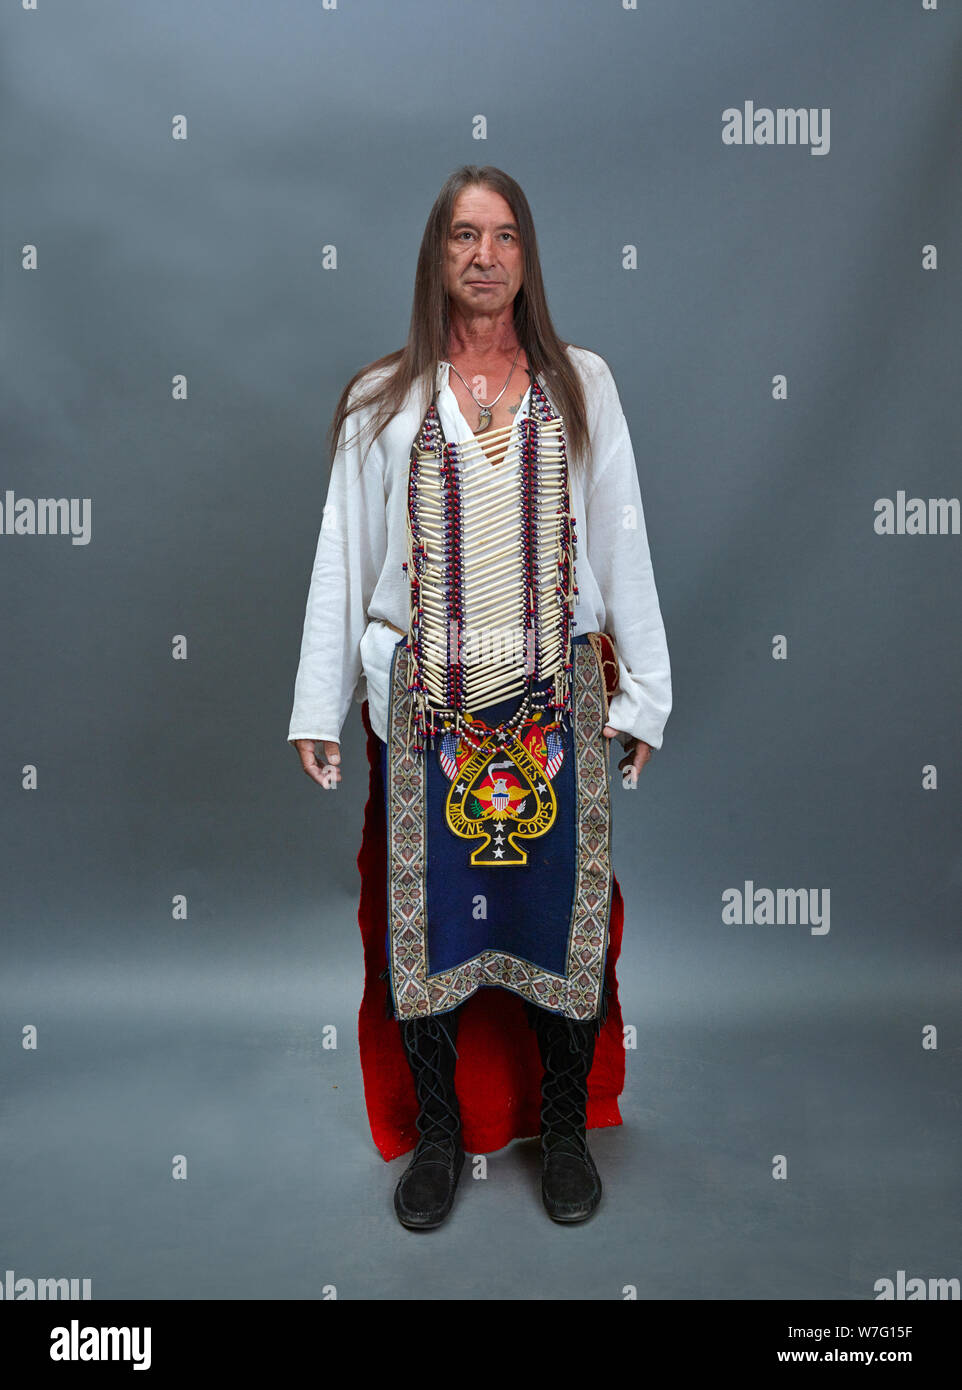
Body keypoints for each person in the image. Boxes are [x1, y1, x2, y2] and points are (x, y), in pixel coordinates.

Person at [288, 165, 672, 1229]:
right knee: (426, 938)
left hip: (554, 703)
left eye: (504, 235)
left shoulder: (579, 384)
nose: (485, 255)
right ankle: (440, 1139)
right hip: (430, 716)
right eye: (464, 234)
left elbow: (623, 539)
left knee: (562, 922)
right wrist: (317, 704)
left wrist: (644, 692)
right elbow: (342, 553)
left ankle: (559, 1125)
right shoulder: (384, 400)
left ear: (525, 255)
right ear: (436, 254)